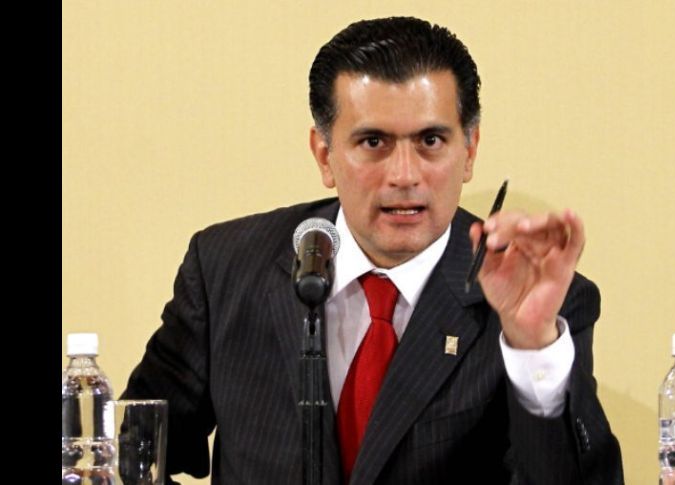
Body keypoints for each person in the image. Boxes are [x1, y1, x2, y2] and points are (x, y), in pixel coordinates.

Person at [122, 16, 624, 484]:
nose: (404, 175)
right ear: (325, 155)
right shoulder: (226, 268)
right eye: (373, 142)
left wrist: (531, 344)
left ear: (469, 151)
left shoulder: (535, 301)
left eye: (431, 140)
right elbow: (131, 456)